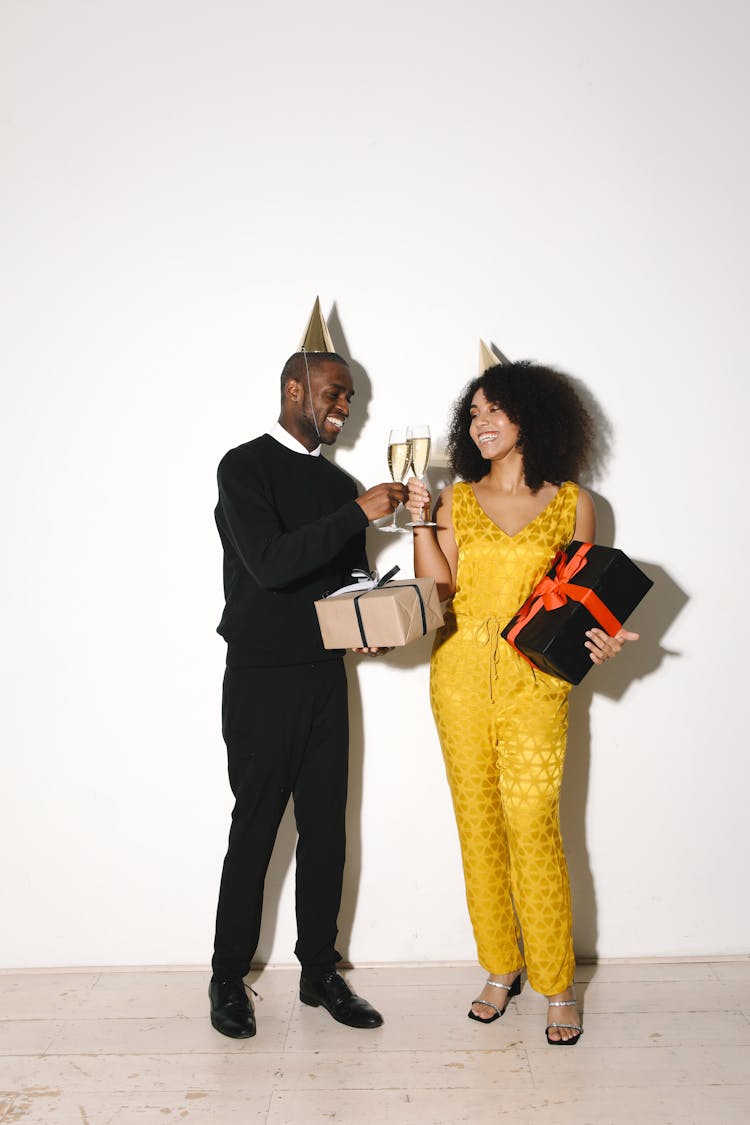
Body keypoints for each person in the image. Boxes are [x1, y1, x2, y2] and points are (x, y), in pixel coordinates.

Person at [405, 357, 638, 1045]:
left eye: (494, 409)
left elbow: (582, 603)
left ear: (532, 416)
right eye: (473, 412)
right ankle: (500, 966)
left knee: (533, 822)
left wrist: (603, 638)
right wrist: (421, 523)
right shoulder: (456, 499)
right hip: (458, 677)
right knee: (478, 824)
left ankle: (556, 980)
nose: (481, 422)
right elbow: (437, 592)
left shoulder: (575, 503)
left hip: (536, 681)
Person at [210, 300, 405, 1039]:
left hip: (326, 677)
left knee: (327, 828)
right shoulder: (243, 466)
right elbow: (269, 565)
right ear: (295, 389)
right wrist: (358, 511)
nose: (343, 408)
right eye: (334, 393)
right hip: (262, 676)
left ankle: (320, 972)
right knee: (256, 826)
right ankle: (228, 978)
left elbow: (342, 585)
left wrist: (372, 626)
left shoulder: (335, 487)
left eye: (350, 398)